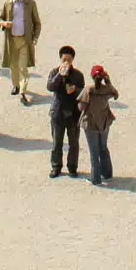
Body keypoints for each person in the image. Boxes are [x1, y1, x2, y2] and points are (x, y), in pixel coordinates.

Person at [0, 0, 41, 105]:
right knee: (13, 66)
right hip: (11, 40)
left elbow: (37, 23)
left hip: (24, 40)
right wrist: (4, 23)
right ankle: (16, 85)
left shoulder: (30, 4)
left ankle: (22, 91)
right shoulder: (8, 4)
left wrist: (35, 38)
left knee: (23, 67)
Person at [46, 45, 85, 179]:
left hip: (73, 114)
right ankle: (56, 166)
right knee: (57, 142)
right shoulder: (54, 72)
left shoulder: (78, 75)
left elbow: (83, 93)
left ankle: (72, 167)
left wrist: (75, 90)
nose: (66, 62)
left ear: (73, 59)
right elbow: (50, 86)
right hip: (58, 113)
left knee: (74, 143)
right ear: (60, 59)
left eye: (69, 60)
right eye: (64, 59)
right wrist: (59, 75)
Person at [79, 64, 119, 186]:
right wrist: (108, 81)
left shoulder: (88, 90)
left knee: (94, 151)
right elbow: (115, 94)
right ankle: (107, 174)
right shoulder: (108, 89)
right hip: (104, 121)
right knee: (103, 147)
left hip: (91, 123)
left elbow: (81, 107)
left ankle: (95, 178)